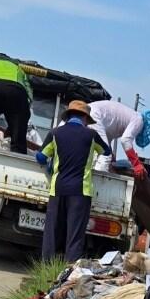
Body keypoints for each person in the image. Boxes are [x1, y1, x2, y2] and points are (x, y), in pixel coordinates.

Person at [38, 100, 111, 263]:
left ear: (69, 115)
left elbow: (41, 156)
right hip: (81, 191)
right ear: (85, 118)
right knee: (75, 234)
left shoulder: (55, 133)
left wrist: (49, 165)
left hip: (57, 189)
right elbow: (106, 151)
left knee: (52, 231)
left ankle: (46, 267)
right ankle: (69, 270)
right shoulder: (91, 135)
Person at [88, 100, 150, 174]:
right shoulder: (139, 120)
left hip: (88, 113)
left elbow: (107, 137)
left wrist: (112, 154)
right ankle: (99, 185)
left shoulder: (127, 119)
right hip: (95, 116)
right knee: (105, 155)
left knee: (95, 154)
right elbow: (125, 140)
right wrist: (136, 163)